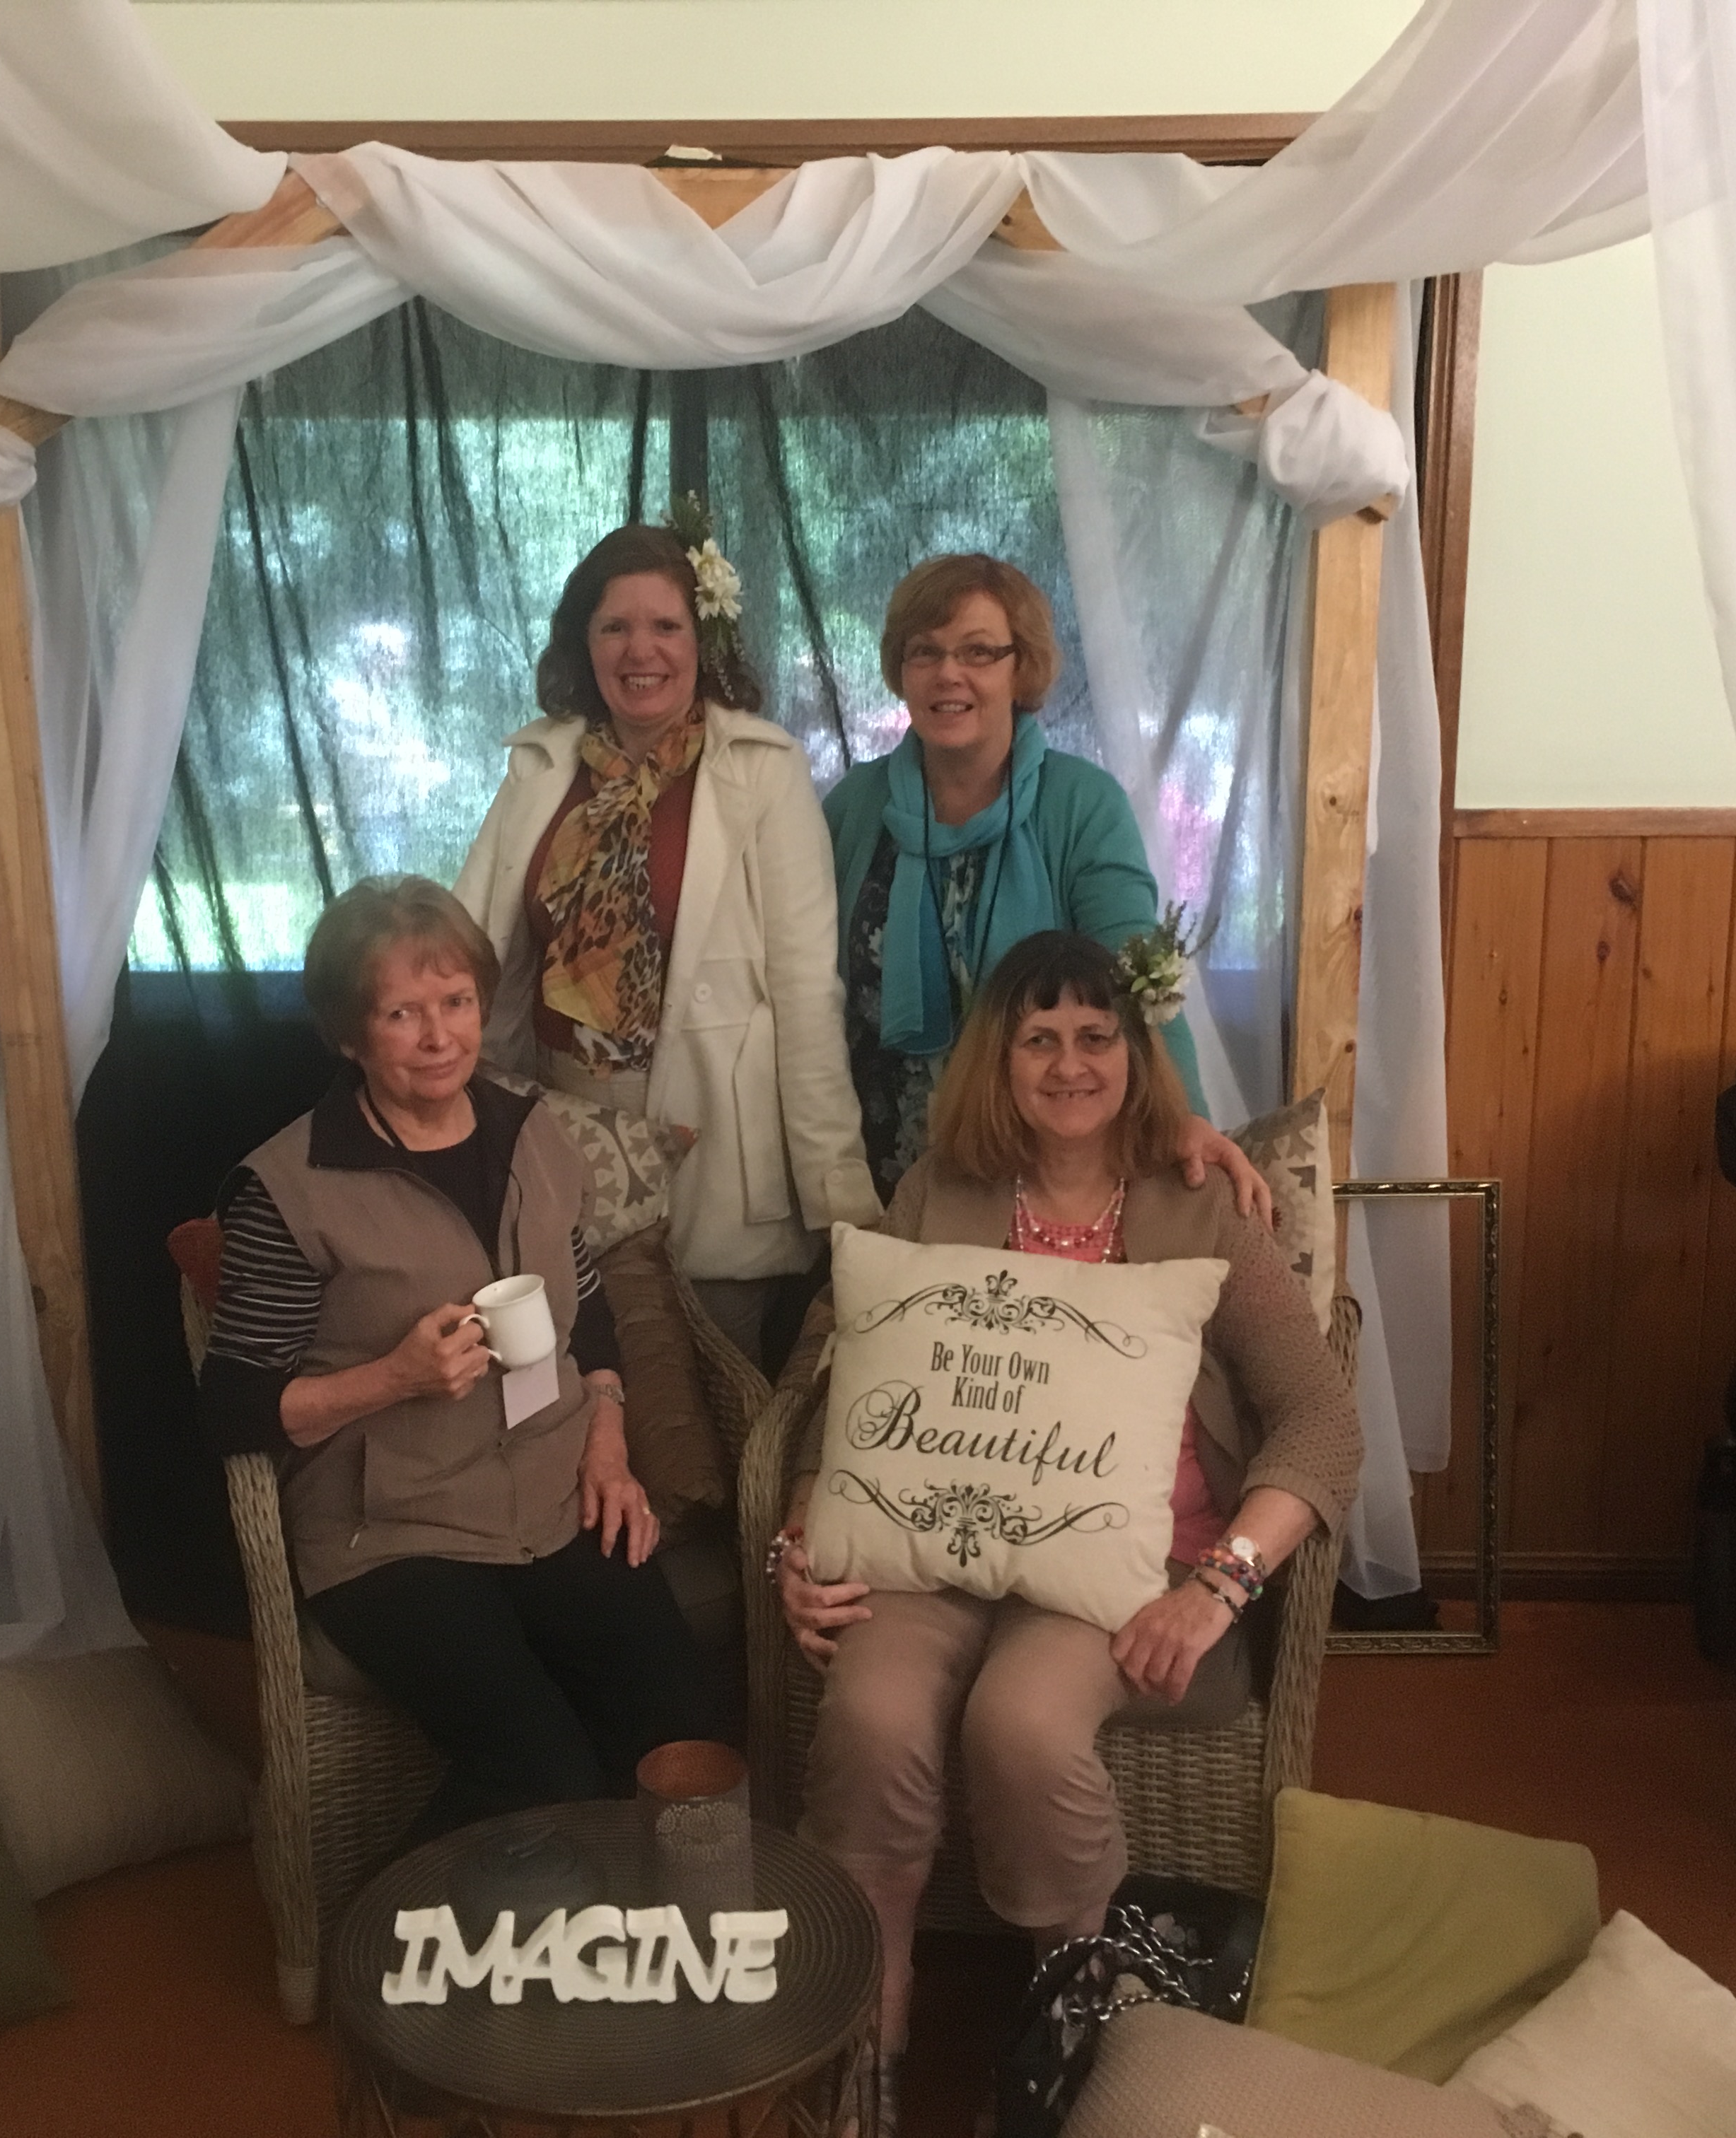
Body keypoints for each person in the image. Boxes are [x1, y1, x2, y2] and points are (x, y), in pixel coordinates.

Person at [769, 932, 1361, 2127]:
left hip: (1131, 1567)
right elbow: (842, 1379)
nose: (1070, 1062)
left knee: (1023, 1718)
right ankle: (875, 2028)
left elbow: (1321, 1418)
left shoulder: (1201, 1205)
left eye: (1096, 1035)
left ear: (1135, 1052)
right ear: (999, 1058)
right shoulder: (939, 1192)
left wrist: (1218, 1586)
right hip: (941, 1547)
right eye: (1038, 1038)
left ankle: (1073, 2027)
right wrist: (801, 1536)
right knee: (871, 1711)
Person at [196, 875, 717, 1840]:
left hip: (555, 1491)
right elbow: (230, 1407)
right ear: (351, 1035)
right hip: (393, 1527)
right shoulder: (291, 1187)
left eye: (457, 1002)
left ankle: (625, 1926)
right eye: (402, 1013)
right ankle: (396, 1926)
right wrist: (393, 1378)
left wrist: (609, 1442)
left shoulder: (535, 1133)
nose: (439, 1036)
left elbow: (587, 1311)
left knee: (679, 1734)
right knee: (540, 1770)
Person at [456, 521, 880, 1366]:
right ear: (584, 642)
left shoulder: (764, 769)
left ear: (702, 641)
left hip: (714, 1144)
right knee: (586, 1389)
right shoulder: (539, 768)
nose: (640, 650)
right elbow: (472, 956)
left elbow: (806, 997)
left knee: (717, 1410)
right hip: (566, 1132)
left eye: (665, 626)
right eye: (615, 626)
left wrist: (842, 1204)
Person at [822, 554, 1270, 1217]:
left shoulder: (1082, 804)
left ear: (1022, 667)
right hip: (871, 1170)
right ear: (901, 668)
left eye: (978, 652)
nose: (948, 673)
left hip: (1032, 1178)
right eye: (925, 652)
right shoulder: (854, 805)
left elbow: (1137, 978)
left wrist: (1186, 1117)